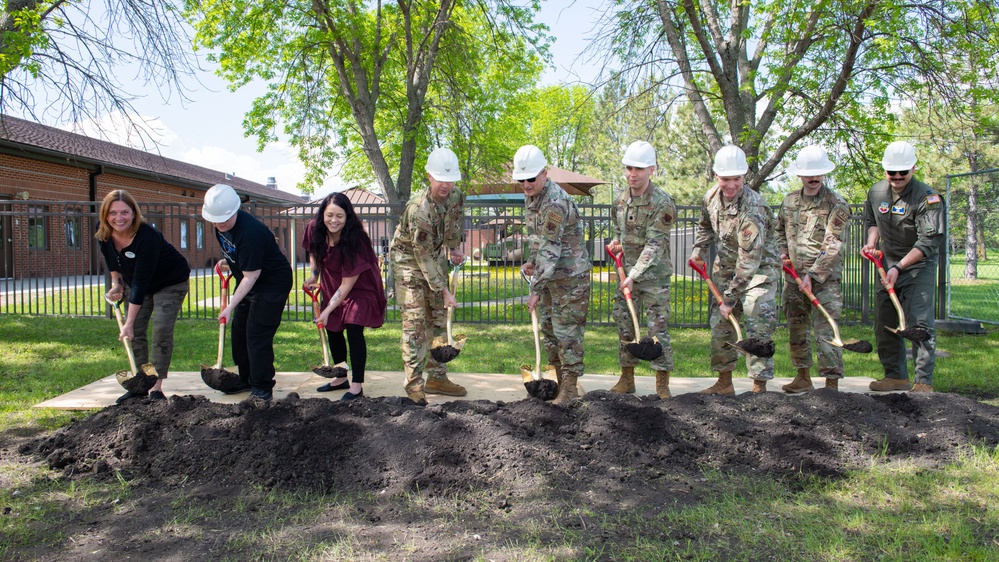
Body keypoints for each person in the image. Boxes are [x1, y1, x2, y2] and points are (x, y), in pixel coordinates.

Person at [690, 145, 780, 395]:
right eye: (725, 179)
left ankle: (758, 388)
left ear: (744, 177)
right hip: (727, 271)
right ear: (716, 176)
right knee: (721, 325)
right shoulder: (710, 198)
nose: (731, 185)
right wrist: (698, 250)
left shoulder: (753, 208)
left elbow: (749, 261)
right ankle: (724, 383)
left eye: (736, 179)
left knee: (757, 321)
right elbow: (705, 225)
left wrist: (730, 299)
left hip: (758, 273)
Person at [861, 141, 944, 393]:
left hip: (918, 266)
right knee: (885, 322)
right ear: (884, 170)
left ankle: (923, 382)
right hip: (886, 266)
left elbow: (928, 241)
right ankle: (895, 376)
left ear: (913, 168)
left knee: (919, 324)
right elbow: (871, 220)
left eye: (903, 172)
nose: (897, 177)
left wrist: (899, 268)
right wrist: (871, 244)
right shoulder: (876, 192)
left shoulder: (927, 198)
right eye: (891, 172)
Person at [389, 147, 468, 405]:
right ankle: (414, 384)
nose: (445, 185)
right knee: (415, 322)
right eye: (439, 179)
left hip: (432, 255)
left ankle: (437, 376)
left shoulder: (455, 196)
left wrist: (455, 248)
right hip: (408, 261)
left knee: (439, 316)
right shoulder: (418, 209)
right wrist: (443, 290)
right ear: (428, 176)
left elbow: (454, 223)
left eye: (450, 179)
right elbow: (420, 255)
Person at [97, 190, 191, 404]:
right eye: (113, 213)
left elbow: (141, 282)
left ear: (133, 213)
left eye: (124, 212)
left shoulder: (146, 236)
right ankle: (140, 384)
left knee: (161, 329)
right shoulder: (103, 233)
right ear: (105, 214)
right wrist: (117, 285)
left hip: (169, 282)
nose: (118, 218)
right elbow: (112, 262)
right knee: (135, 332)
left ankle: (155, 387)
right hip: (137, 282)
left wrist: (128, 322)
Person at [515, 144, 591, 405]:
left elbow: (550, 247)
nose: (526, 183)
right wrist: (531, 261)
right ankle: (557, 384)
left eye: (531, 178)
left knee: (567, 334)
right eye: (521, 179)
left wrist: (535, 290)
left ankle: (570, 390)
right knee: (548, 332)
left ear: (545, 174)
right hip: (549, 276)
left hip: (570, 279)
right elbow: (540, 242)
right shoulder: (533, 196)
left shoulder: (555, 203)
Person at [203, 183, 293, 402]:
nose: (219, 224)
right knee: (239, 330)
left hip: (271, 283)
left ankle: (262, 387)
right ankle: (246, 378)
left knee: (257, 332)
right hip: (249, 278)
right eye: (215, 220)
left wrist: (229, 306)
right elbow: (237, 254)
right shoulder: (220, 223)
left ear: (235, 211)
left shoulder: (250, 233)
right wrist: (230, 260)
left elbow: (251, 276)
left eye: (224, 219)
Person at [775, 145, 851, 393]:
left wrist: (812, 275)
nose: (813, 177)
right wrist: (783, 254)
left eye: (818, 173)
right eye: (809, 173)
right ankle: (802, 376)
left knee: (826, 330)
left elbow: (833, 245)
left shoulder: (836, 204)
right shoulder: (789, 202)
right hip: (794, 280)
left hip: (824, 281)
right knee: (797, 329)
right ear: (800, 175)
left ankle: (830, 384)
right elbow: (779, 232)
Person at [606, 141, 677, 399]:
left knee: (657, 329)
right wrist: (616, 244)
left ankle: (662, 385)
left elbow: (655, 243)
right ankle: (627, 378)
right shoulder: (620, 201)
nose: (632, 174)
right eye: (628, 168)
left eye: (638, 168)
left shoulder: (662, 203)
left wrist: (635, 275)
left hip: (653, 277)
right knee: (624, 324)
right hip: (627, 276)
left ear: (651, 170)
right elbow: (618, 231)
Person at [303, 192, 387, 401]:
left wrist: (327, 310)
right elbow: (313, 250)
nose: (334, 220)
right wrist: (314, 275)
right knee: (333, 328)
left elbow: (348, 284)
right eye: (330, 215)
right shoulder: (314, 228)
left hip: (360, 286)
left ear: (348, 216)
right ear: (323, 213)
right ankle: (341, 378)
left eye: (340, 216)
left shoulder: (356, 239)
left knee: (353, 327)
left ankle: (357, 386)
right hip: (333, 282)